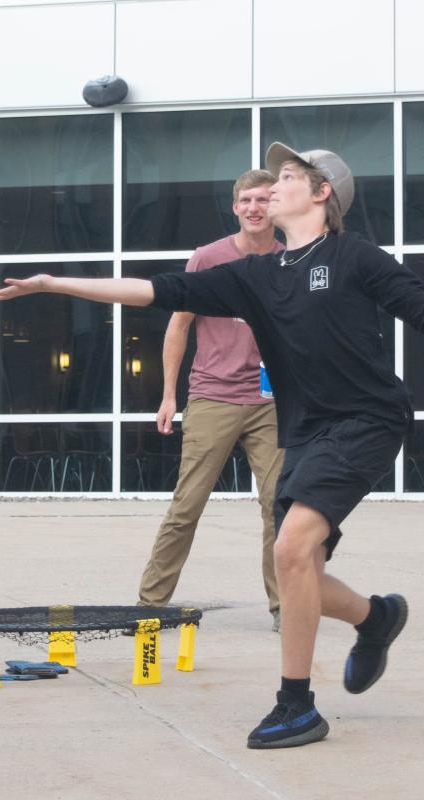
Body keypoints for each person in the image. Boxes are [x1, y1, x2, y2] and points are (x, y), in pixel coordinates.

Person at [0, 143, 424, 750]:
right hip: (305, 431)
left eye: (289, 177)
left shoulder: (354, 257)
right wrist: (53, 284)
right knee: (297, 565)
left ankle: (296, 705)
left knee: (291, 546)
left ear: (322, 193)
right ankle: (376, 618)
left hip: (367, 421)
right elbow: (155, 291)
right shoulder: (256, 276)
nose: (273, 186)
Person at [139, 170, 284, 632]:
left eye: (264, 200)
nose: (255, 208)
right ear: (235, 207)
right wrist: (168, 396)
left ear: (275, 207)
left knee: (280, 504)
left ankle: (286, 607)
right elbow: (178, 324)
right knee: (188, 505)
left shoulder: (292, 260)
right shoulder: (208, 259)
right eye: (247, 200)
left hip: (272, 401)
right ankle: (150, 605)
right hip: (213, 395)